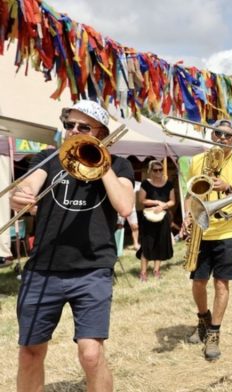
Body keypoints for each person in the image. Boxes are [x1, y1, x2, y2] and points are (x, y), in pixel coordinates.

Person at [11, 100, 135, 391]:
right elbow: (27, 187)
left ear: (101, 132)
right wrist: (21, 195)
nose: (74, 131)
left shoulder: (119, 165)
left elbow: (125, 205)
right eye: (69, 125)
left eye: (84, 127)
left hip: (92, 270)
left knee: (91, 354)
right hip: (43, 270)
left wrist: (100, 160)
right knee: (30, 353)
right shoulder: (46, 159)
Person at [184, 119, 232, 361]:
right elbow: (190, 193)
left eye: (228, 136)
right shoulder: (196, 161)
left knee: (221, 284)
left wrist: (227, 187)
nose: (222, 139)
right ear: (211, 135)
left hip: (229, 230)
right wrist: (187, 215)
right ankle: (203, 318)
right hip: (202, 231)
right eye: (218, 134)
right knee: (198, 282)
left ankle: (214, 332)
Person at [137, 160, 175, 281]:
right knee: (146, 245)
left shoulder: (169, 184)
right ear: (150, 171)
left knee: (160, 243)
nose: (158, 172)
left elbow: (172, 201)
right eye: (155, 170)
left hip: (163, 217)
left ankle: (156, 270)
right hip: (148, 218)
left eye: (160, 169)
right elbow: (142, 200)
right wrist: (156, 202)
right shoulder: (145, 184)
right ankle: (143, 273)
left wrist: (162, 206)